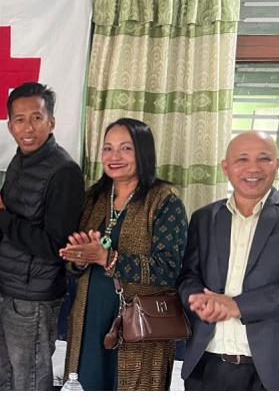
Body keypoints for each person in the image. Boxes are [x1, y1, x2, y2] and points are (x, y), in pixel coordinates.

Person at [0, 82, 84, 390]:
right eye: (20, 119)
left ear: (51, 122)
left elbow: (56, 246)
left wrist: (0, 216)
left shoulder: (64, 171)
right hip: (5, 287)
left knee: (28, 382)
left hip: (35, 297)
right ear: (10, 126)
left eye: (36, 118)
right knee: (5, 378)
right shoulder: (20, 159)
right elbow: (12, 226)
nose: (28, 128)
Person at [177, 130, 279, 391]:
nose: (253, 168)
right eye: (242, 159)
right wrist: (199, 301)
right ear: (226, 167)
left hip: (278, 369)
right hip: (209, 364)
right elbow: (188, 276)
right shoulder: (204, 217)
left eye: (264, 158)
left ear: (277, 164)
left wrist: (237, 306)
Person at [60, 118, 188, 390]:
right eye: (108, 148)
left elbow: (169, 269)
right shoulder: (94, 197)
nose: (114, 156)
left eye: (125, 148)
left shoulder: (164, 200)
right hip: (90, 318)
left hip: (141, 325)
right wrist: (78, 258)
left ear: (143, 152)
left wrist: (107, 258)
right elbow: (76, 265)